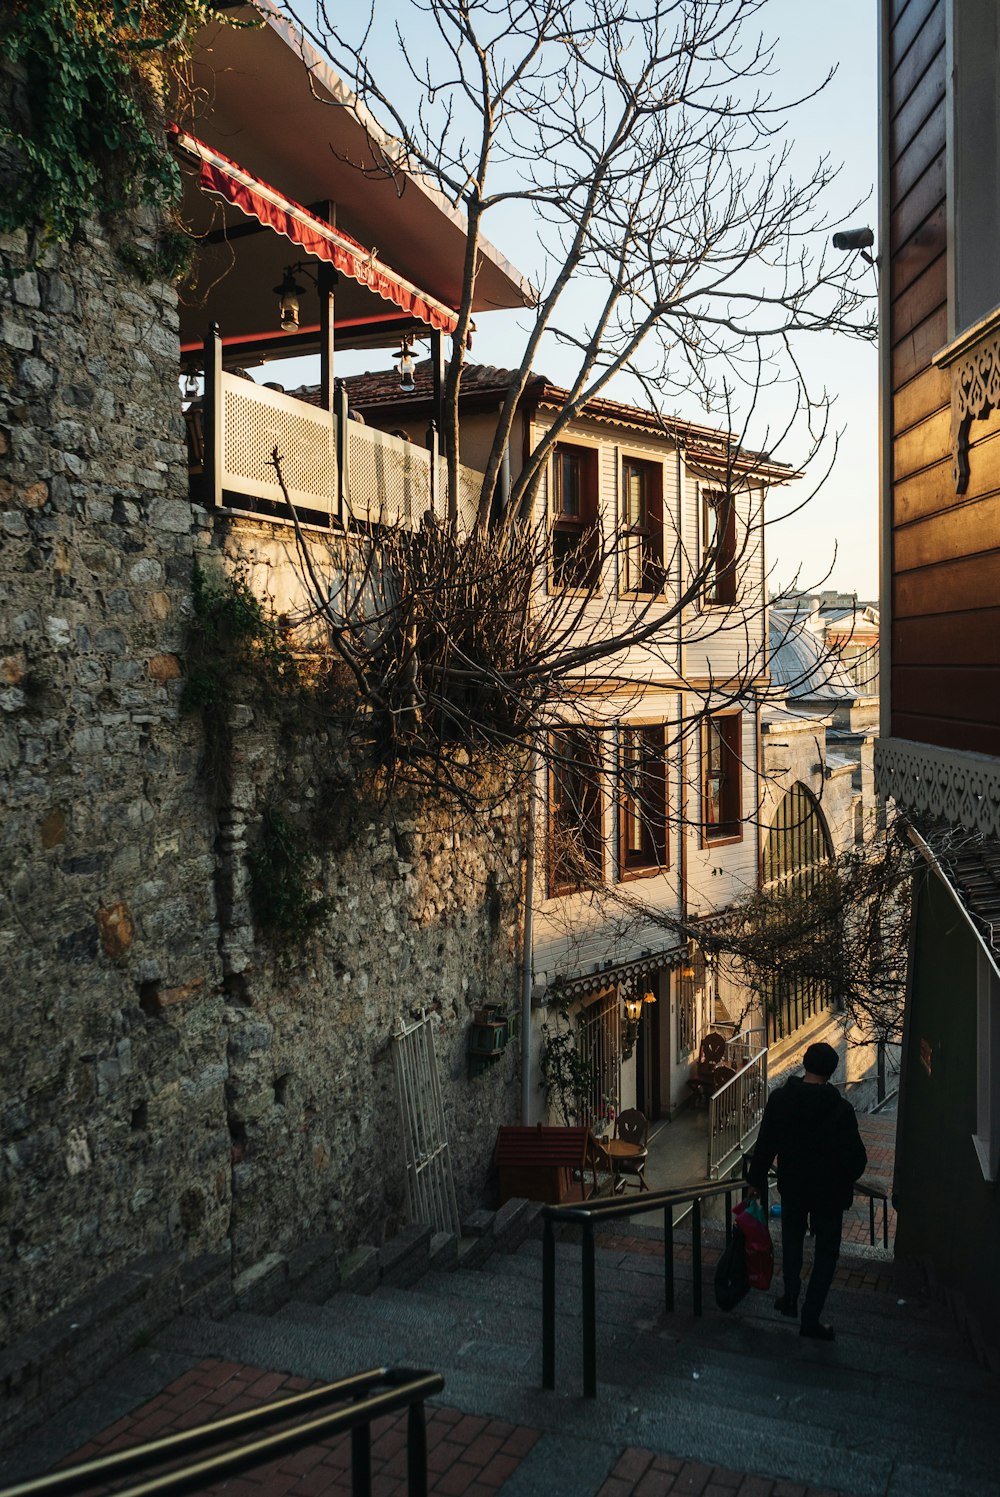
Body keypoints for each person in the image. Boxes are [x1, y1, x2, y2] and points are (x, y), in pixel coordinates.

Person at [746, 1041, 867, 1341]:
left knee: (792, 1242)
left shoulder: (781, 1100)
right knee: (826, 1254)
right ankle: (810, 1318)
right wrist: (842, 1176)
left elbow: (765, 1145)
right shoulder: (841, 1110)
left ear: (805, 1064)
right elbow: (857, 1160)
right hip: (829, 1194)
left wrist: (755, 1181)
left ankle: (789, 1297)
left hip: (793, 1186)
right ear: (831, 1071)